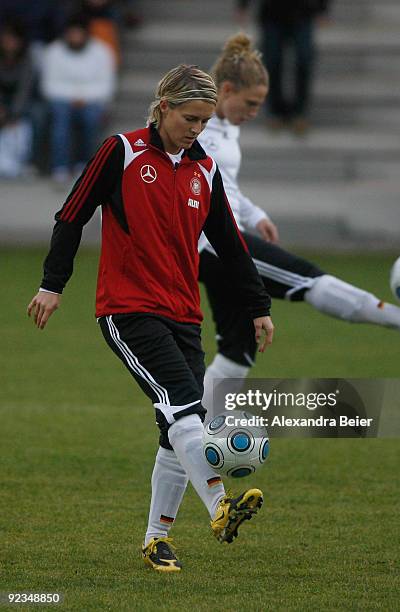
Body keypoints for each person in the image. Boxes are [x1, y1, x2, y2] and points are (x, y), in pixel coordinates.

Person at [27, 64, 274, 572]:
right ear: (163, 107)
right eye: (190, 118)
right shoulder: (121, 150)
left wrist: (258, 306)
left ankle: (156, 540)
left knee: (173, 430)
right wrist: (53, 285)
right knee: (186, 409)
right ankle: (220, 506)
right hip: (127, 308)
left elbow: (229, 241)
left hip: (184, 312)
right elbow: (72, 214)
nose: (197, 129)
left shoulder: (204, 169)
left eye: (205, 121)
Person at [197, 34, 400, 415]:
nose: (254, 112)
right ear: (226, 90)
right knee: (308, 279)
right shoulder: (200, 129)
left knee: (238, 351)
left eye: (260, 105)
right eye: (250, 103)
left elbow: (224, 185)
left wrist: (255, 215)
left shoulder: (225, 127)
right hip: (216, 246)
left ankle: (194, 435)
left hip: (222, 239)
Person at [40, 13, 116, 183]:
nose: (75, 37)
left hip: (91, 102)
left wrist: (83, 97)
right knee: (61, 121)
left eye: (78, 33)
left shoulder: (102, 52)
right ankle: (60, 167)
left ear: (86, 34)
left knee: (91, 118)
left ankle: (84, 164)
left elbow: (106, 86)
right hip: (62, 102)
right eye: (71, 33)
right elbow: (48, 86)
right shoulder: (53, 52)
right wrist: (73, 97)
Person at [236, 0, 331, 133]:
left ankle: (299, 112)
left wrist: (323, 7)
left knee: (304, 60)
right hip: (271, 13)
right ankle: (276, 111)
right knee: (273, 62)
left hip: (303, 12)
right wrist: (243, 5)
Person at [0, 20, 34, 177]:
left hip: (21, 103)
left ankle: (27, 161)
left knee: (37, 115)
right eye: (6, 38)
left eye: (13, 39)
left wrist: (13, 114)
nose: (9, 43)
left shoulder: (27, 59)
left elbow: (24, 91)